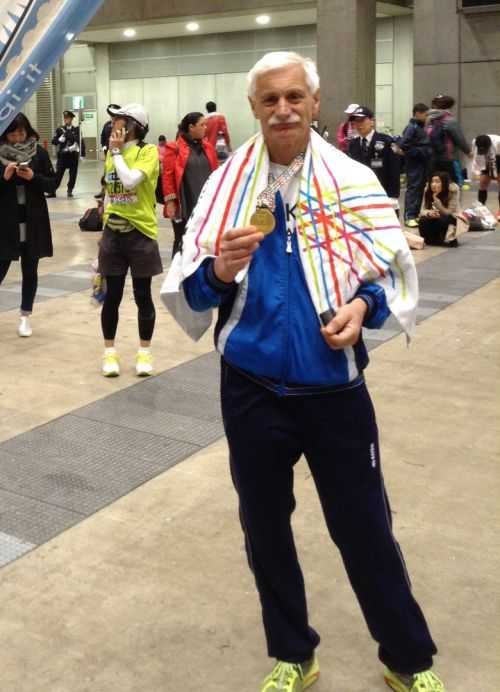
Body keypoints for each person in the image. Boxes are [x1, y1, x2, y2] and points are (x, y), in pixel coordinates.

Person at [163, 51, 445, 692]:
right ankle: (292, 652)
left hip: (334, 389)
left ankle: (407, 658)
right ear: (253, 108)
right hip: (251, 388)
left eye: (295, 97)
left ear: (315, 104)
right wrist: (220, 270)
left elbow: (389, 270)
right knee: (264, 529)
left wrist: (363, 307)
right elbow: (194, 293)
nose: (283, 109)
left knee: (365, 528)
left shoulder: (352, 180)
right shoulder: (226, 187)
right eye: (270, 100)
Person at [98, 103, 161, 378]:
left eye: (119, 119)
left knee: (142, 295)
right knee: (111, 296)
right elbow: (109, 193)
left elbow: (131, 181)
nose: (114, 124)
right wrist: (102, 234)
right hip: (113, 234)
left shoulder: (148, 151)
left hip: (141, 233)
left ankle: (144, 352)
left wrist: (116, 152)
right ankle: (109, 353)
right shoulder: (111, 153)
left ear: (134, 125)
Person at [0, 112, 56, 337]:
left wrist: (33, 177)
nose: (17, 137)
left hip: (33, 223)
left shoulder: (38, 153)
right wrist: (4, 177)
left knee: (30, 270)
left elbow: (52, 184)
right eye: (12, 134)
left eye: (21, 133)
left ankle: (25, 316)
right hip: (6, 224)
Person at [162, 112, 218, 257]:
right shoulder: (174, 148)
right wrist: (170, 202)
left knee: (204, 241)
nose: (205, 128)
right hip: (184, 203)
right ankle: (178, 269)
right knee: (182, 240)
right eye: (202, 125)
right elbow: (167, 176)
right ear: (191, 127)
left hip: (206, 203)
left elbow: (216, 173)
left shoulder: (209, 148)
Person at [348, 105, 401, 215]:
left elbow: (394, 170)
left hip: (383, 194)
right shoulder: (353, 145)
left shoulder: (386, 141)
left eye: (362, 120)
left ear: (372, 121)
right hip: (360, 197)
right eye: (356, 121)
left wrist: (393, 196)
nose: (358, 124)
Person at [399, 103, 432, 228]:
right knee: (414, 188)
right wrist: (418, 152)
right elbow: (403, 144)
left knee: (420, 188)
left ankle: (415, 214)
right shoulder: (412, 127)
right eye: (425, 114)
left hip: (422, 162)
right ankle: (409, 216)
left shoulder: (421, 127)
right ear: (417, 113)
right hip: (415, 163)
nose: (427, 117)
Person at [426, 95, 471, 184]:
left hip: (432, 157)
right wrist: (468, 151)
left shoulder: (428, 119)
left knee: (434, 183)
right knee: (454, 183)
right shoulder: (449, 120)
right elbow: (459, 138)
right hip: (448, 157)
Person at [418, 171, 467, 247]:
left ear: (444, 183)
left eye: (437, 182)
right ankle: (430, 239)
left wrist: (439, 206)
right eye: (432, 182)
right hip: (433, 217)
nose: (433, 184)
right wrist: (429, 213)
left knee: (445, 219)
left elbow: (451, 212)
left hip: (450, 217)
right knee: (422, 220)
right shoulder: (427, 190)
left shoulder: (453, 190)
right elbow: (422, 210)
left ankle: (449, 237)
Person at [48, 110, 81, 198]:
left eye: (68, 118)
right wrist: (59, 140)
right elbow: (53, 141)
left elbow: (80, 141)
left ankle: (70, 190)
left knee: (73, 175)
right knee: (58, 175)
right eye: (65, 118)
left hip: (73, 156)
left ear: (71, 119)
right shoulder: (60, 129)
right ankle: (52, 191)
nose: (66, 120)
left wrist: (81, 152)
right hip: (63, 156)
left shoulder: (76, 130)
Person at [471, 133, 500, 221]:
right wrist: (475, 172)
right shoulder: (475, 142)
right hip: (486, 160)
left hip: (498, 157)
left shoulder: (498, 142)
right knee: (483, 183)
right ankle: (481, 209)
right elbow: (475, 157)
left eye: (484, 149)